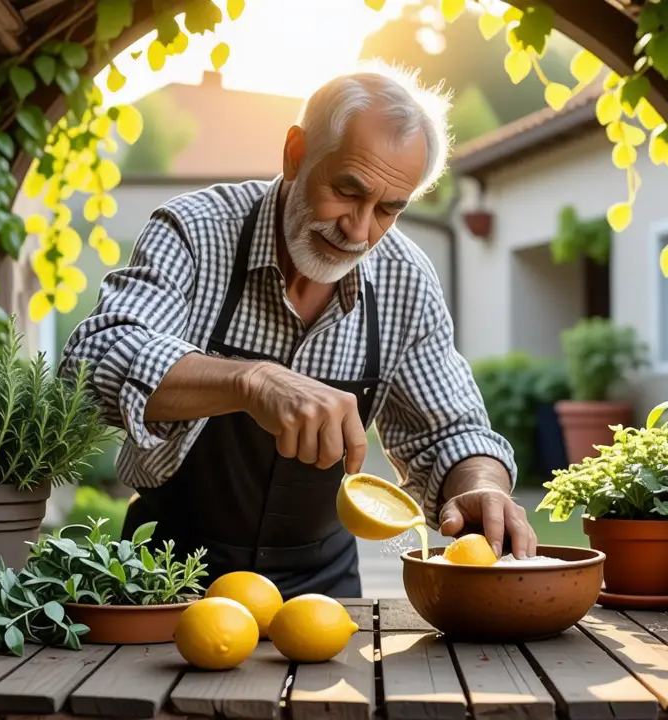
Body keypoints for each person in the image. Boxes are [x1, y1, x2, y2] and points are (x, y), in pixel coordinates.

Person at [59, 63, 536, 598]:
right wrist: (251, 381)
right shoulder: (196, 230)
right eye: (347, 190)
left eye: (387, 210)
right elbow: (92, 361)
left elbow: (450, 432)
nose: (358, 230)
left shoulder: (405, 278)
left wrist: (482, 485)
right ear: (294, 154)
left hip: (323, 587)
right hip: (165, 572)